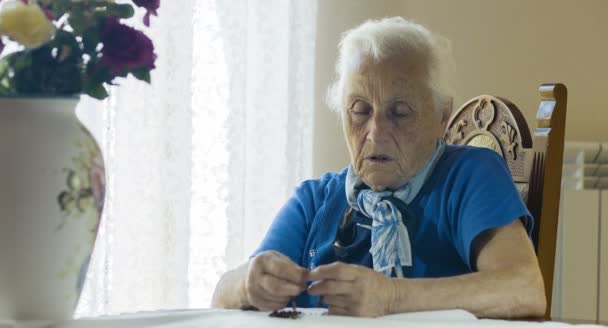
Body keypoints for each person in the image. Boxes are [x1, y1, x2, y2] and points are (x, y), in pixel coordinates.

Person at [211, 17, 546, 319]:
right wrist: (249, 282)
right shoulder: (316, 199)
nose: (375, 132)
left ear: (442, 116)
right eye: (359, 110)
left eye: (399, 112)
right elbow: (223, 295)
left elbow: (524, 288)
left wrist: (392, 297)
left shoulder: (469, 175)